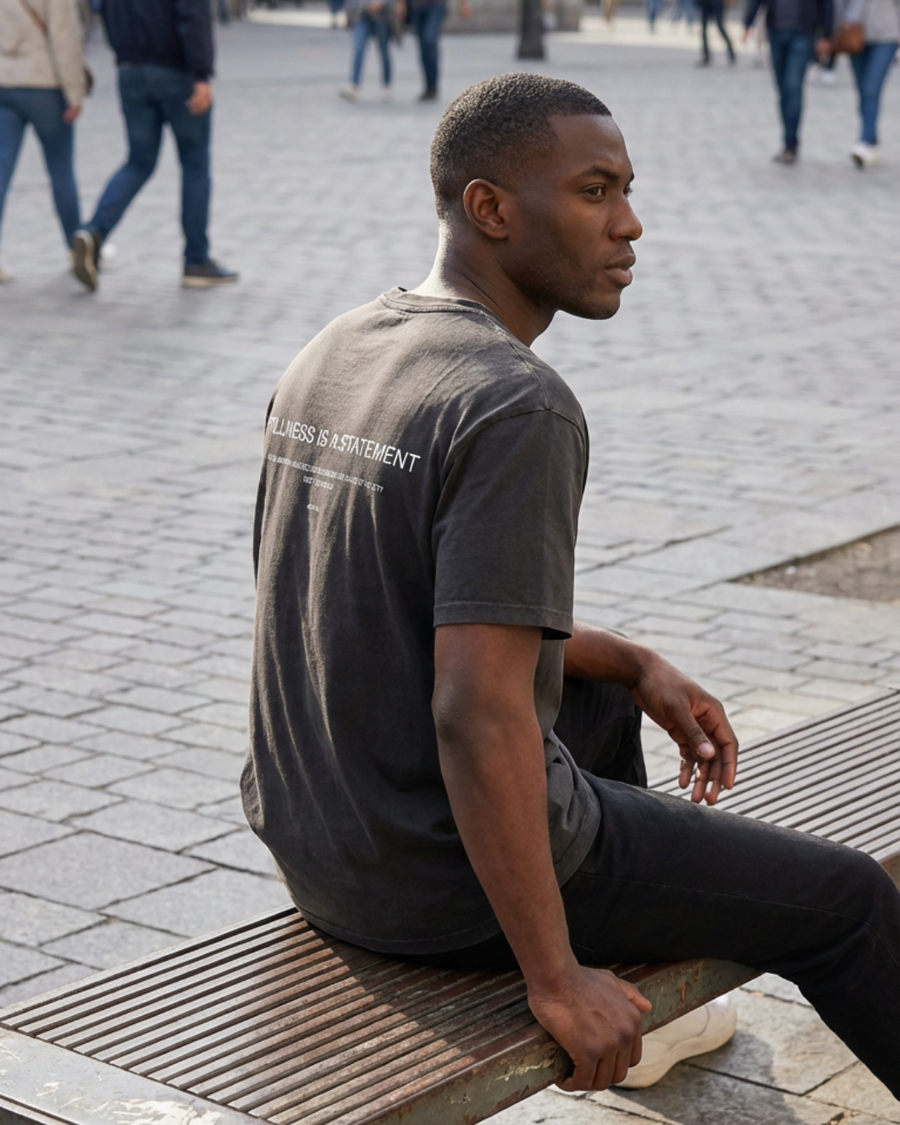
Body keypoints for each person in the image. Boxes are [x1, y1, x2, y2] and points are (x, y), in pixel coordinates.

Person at [243, 73, 900, 1093]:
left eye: (627, 190)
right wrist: (554, 978)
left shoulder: (336, 349)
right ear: (491, 209)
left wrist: (635, 660)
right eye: (596, 192)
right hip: (432, 882)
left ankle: (661, 1003)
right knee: (851, 901)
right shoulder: (515, 404)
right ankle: (595, 960)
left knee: (587, 690)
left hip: (323, 849)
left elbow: (377, 608)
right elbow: (475, 709)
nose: (629, 225)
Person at [70, 0, 237, 291]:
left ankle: (94, 231)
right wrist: (201, 74)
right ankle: (196, 259)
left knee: (139, 161)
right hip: (176, 71)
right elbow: (193, 14)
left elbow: (102, 10)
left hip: (130, 70)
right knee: (194, 164)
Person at [0, 0, 87, 281]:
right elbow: (64, 36)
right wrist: (75, 92)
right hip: (44, 83)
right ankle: (77, 249)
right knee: (61, 169)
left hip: (4, 83)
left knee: (1, 170)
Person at [743, 0, 833, 162]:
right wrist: (747, 23)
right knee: (783, 90)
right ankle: (787, 141)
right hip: (776, 31)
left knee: (793, 86)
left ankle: (791, 143)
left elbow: (826, 4)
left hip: (803, 33)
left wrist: (826, 34)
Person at [832, 0, 899, 166]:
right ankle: (872, 140)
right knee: (863, 91)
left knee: (871, 88)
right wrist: (834, 30)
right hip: (854, 33)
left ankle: (864, 142)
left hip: (886, 37)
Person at [339, 0, 402, 102]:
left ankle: (387, 84)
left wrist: (381, 4)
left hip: (382, 15)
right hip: (361, 14)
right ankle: (354, 86)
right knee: (358, 49)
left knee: (384, 51)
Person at [407, 0, 468, 101]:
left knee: (430, 40)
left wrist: (463, 4)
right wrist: (400, 4)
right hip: (416, 7)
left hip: (436, 5)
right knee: (423, 47)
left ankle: (433, 85)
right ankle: (428, 86)